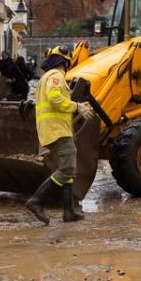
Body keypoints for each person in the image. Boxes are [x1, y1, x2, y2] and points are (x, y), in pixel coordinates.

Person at [25, 46, 94, 225]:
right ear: (65, 62)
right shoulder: (56, 76)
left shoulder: (45, 78)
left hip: (54, 129)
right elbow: (55, 98)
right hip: (58, 131)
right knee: (68, 169)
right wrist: (77, 107)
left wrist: (75, 103)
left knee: (67, 169)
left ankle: (68, 211)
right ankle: (36, 201)